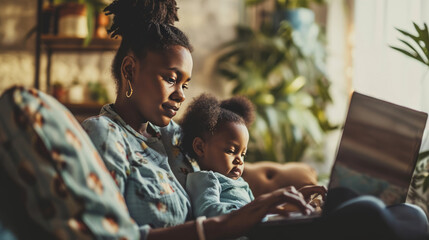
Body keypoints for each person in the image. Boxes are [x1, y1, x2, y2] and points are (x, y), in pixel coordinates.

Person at [81, 0, 324, 239]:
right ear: (129, 70)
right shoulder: (104, 134)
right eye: (171, 79)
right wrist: (227, 223)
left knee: (346, 205)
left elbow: (225, 179)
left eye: (185, 84)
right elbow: (108, 234)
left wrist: (281, 207)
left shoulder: (176, 136)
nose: (181, 95)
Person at [180, 93, 256, 218]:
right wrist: (249, 213)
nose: (240, 161)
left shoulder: (241, 182)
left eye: (243, 154)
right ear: (200, 147)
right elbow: (208, 212)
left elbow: (258, 209)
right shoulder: (204, 179)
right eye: (231, 151)